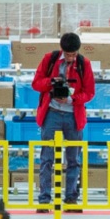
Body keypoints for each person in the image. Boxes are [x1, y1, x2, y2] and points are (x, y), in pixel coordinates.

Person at [32, 32, 95, 209]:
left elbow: (89, 92)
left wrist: (70, 99)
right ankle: (44, 199)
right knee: (47, 158)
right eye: (68, 54)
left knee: (73, 158)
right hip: (51, 113)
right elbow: (36, 83)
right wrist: (52, 82)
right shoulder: (49, 59)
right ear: (62, 50)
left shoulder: (84, 64)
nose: (71, 58)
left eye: (74, 54)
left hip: (73, 115)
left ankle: (71, 198)